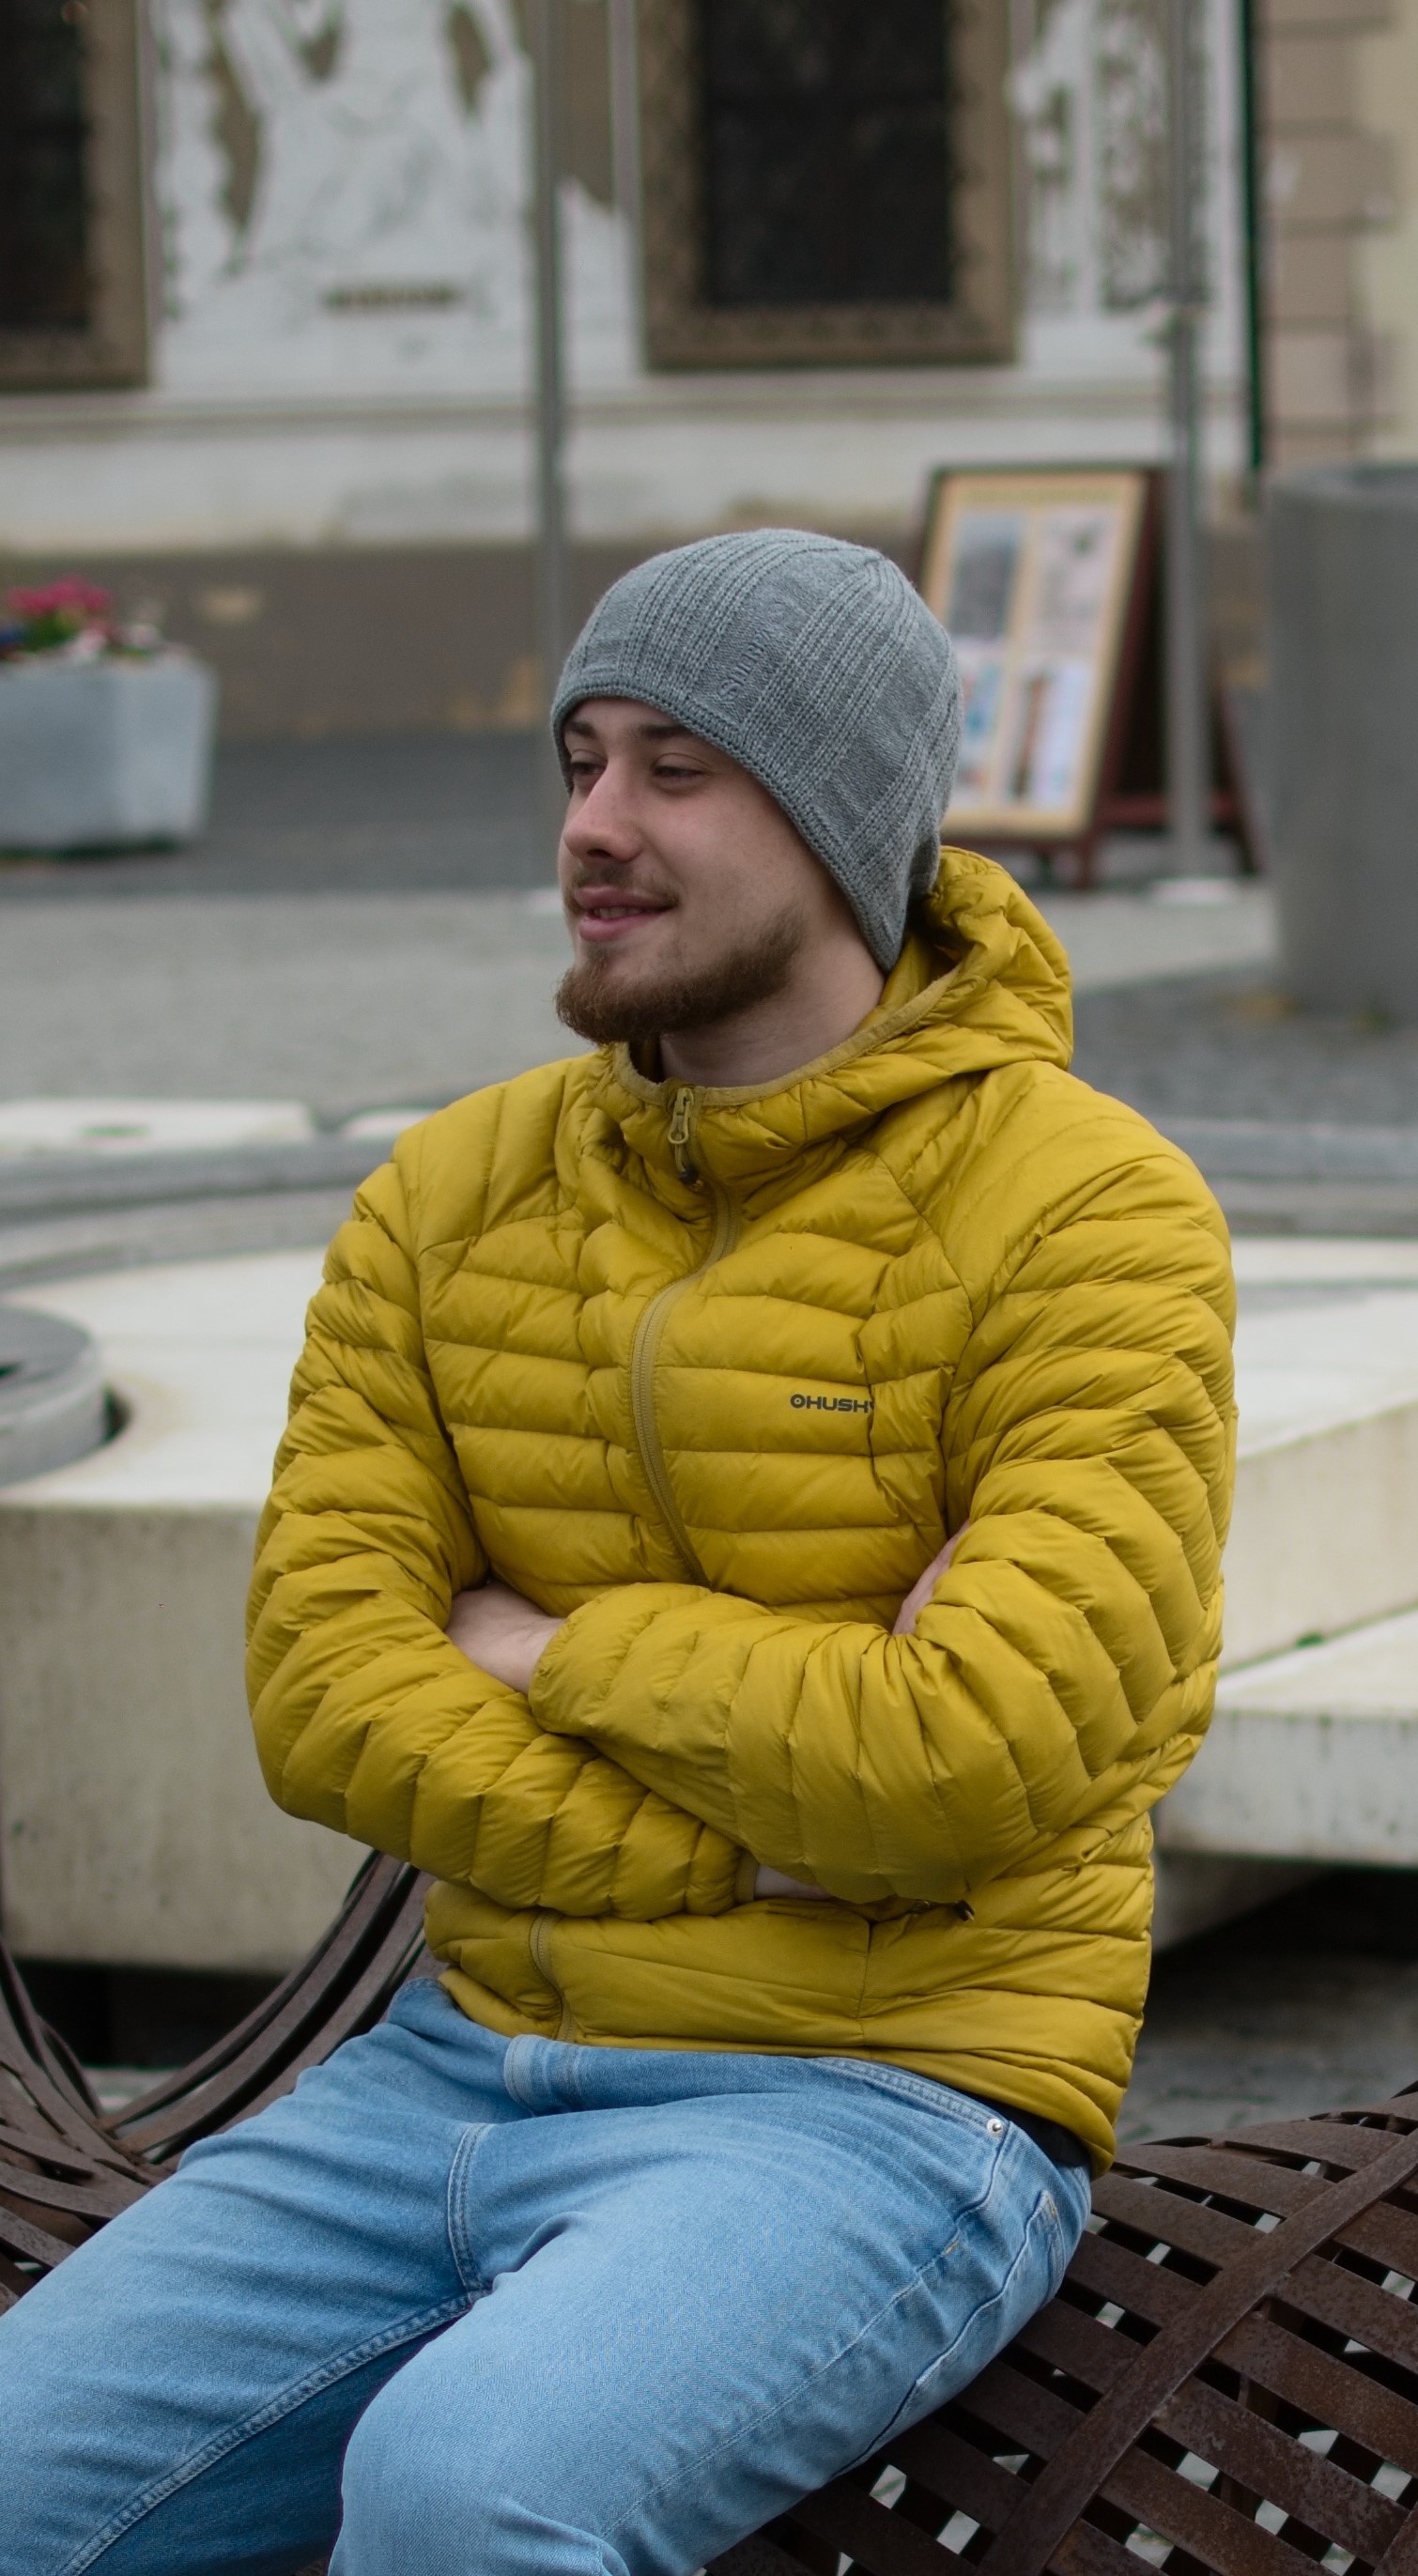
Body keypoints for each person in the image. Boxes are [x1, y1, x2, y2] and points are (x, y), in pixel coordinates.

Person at [0, 531, 1236, 2576]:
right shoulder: (447, 1195)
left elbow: (972, 1758)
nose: (593, 824)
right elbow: (324, 1700)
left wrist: (548, 1645)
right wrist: (755, 1843)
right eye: (581, 760)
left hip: (882, 2102)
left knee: (464, 2486)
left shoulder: (1088, 1209)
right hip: (440, 2076)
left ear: (837, 821)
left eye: (678, 769)